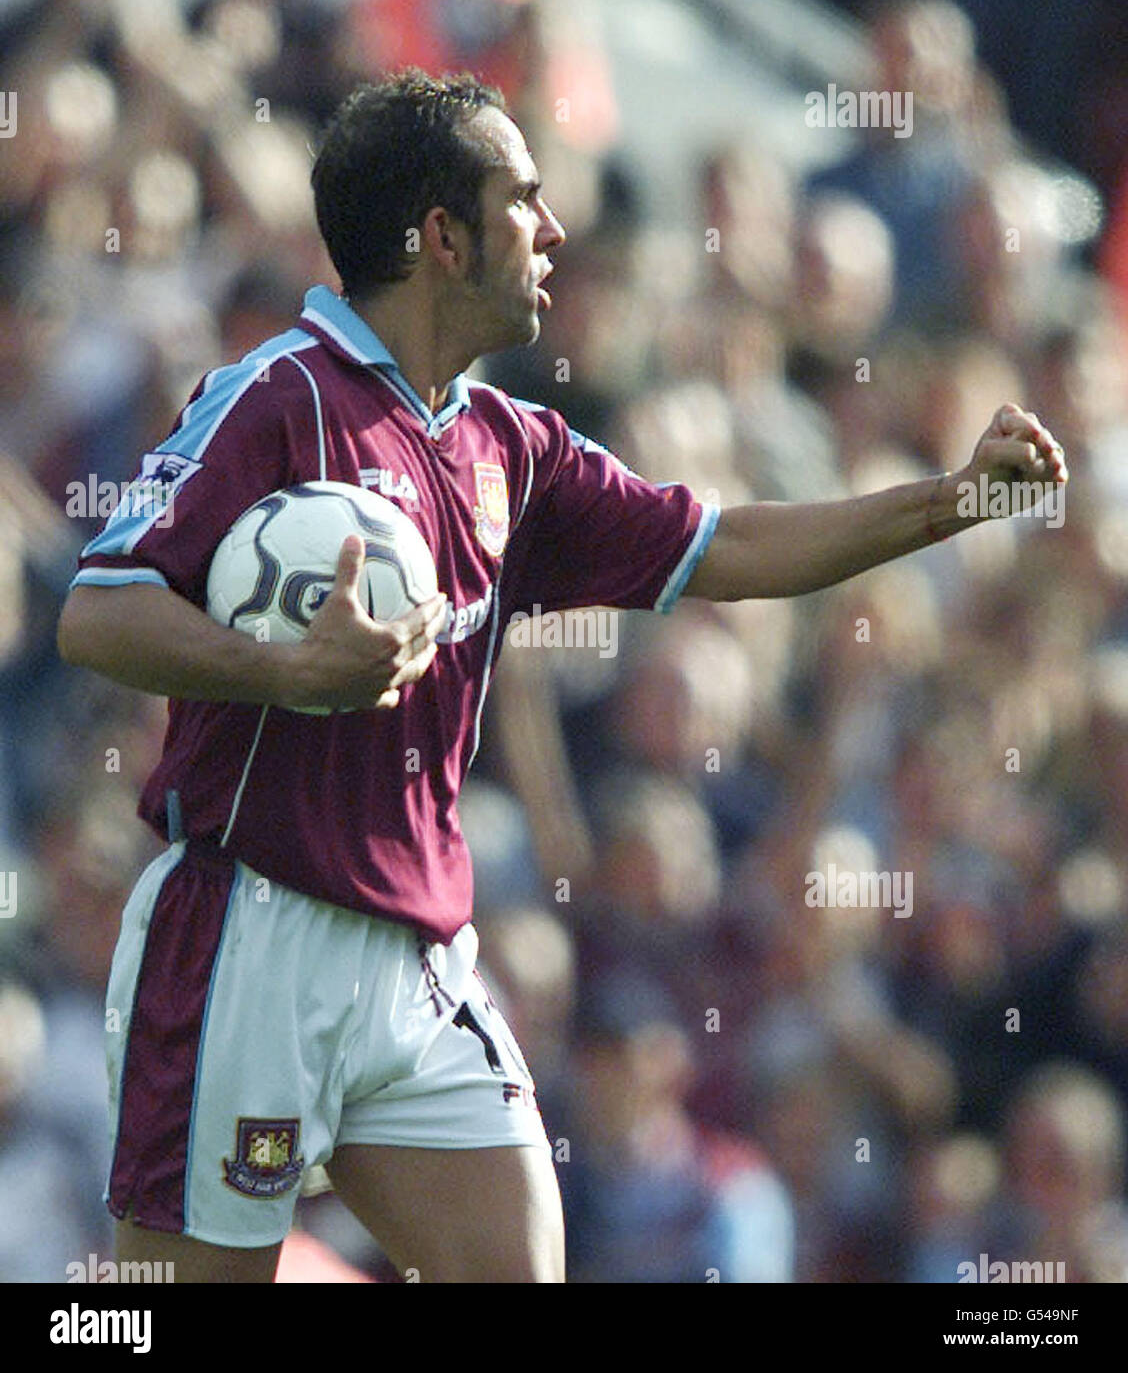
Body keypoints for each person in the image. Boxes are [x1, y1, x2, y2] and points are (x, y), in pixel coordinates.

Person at [56, 70, 1068, 1284]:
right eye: (522, 199)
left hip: (415, 961)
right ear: (441, 237)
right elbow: (98, 610)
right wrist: (282, 667)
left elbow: (728, 547)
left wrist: (954, 502)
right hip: (242, 942)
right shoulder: (275, 401)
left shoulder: (514, 449)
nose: (554, 228)